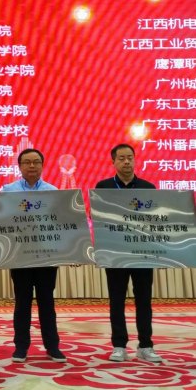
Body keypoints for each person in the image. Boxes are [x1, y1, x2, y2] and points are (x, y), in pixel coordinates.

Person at [0, 148, 66, 363]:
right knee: (22, 302)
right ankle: (21, 347)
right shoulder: (8, 190)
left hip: (46, 256)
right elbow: (0, 219)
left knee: (47, 302)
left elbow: (61, 223)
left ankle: (52, 346)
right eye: (27, 162)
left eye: (36, 162)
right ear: (19, 166)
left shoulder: (52, 191)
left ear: (42, 165)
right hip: (19, 255)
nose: (32, 166)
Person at [95, 143, 162, 363]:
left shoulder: (148, 187)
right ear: (113, 161)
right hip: (115, 252)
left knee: (144, 300)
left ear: (135, 160)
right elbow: (100, 219)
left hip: (142, 252)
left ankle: (146, 345)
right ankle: (119, 345)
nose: (126, 162)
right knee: (116, 300)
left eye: (130, 158)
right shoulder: (103, 187)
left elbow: (155, 220)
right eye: (121, 158)